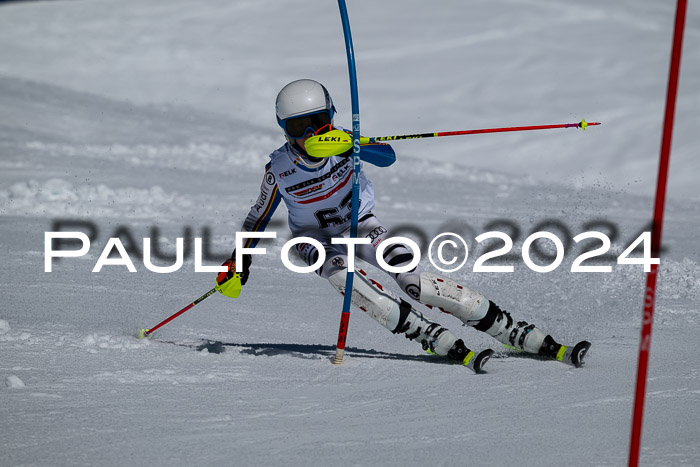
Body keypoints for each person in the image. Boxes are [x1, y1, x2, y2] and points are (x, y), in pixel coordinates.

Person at [217, 79, 590, 370]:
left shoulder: (345, 141)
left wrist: (349, 145)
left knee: (413, 281)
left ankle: (511, 329)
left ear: (331, 116)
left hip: (361, 225)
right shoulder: (278, 169)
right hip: (315, 242)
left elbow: (387, 156)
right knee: (344, 278)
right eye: (300, 126)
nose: (312, 133)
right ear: (285, 129)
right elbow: (258, 217)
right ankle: (425, 333)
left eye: (319, 121)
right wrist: (239, 259)